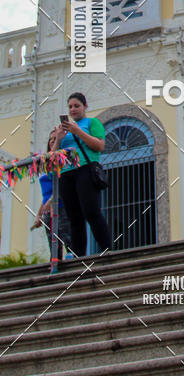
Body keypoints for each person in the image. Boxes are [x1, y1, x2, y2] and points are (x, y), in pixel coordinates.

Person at [52, 92, 112, 256]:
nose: (73, 109)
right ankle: (79, 254)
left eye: (76, 106)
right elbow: (52, 157)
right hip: (66, 173)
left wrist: (78, 131)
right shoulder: (64, 130)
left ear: (85, 106)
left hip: (85, 169)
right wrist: (58, 138)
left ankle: (107, 249)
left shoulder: (92, 123)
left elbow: (99, 146)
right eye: (70, 107)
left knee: (91, 211)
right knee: (74, 218)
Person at [32, 129, 73, 260]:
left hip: (61, 206)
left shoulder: (62, 160)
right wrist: (39, 214)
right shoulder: (45, 164)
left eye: (56, 139)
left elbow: (61, 186)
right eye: (51, 139)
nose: (53, 142)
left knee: (68, 240)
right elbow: (46, 192)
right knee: (54, 247)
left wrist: (50, 202)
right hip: (48, 208)